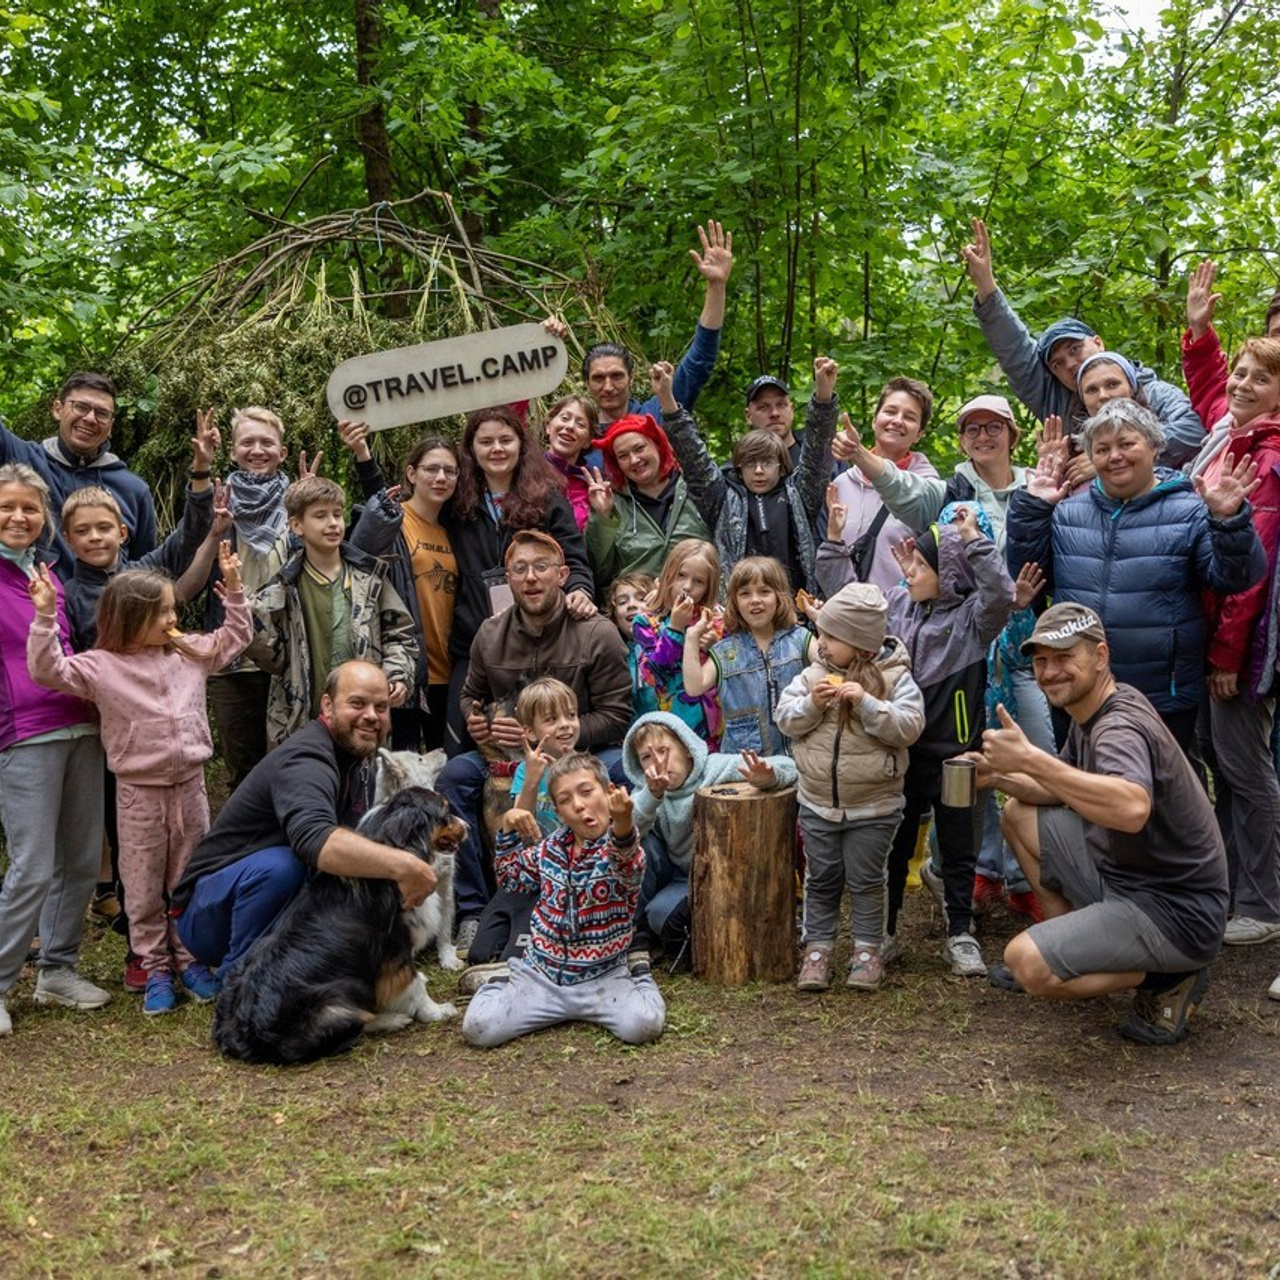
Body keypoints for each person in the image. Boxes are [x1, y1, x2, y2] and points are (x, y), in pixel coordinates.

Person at [832, 394, 1053, 918]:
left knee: (1035, 755)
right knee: (968, 763)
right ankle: (980, 870)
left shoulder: (1038, 482)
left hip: (1024, 641)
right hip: (963, 639)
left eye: (993, 426)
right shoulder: (951, 492)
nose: (983, 436)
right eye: (971, 429)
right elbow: (906, 490)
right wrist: (865, 457)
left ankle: (1032, 873)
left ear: (1012, 434)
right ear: (959, 439)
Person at [976, 603, 1228, 1046]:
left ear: (1100, 656)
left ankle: (1170, 975)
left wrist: (1032, 759)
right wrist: (997, 776)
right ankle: (1073, 946)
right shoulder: (1092, 710)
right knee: (1018, 813)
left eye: (1063, 657)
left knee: (1026, 964)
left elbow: (1131, 809)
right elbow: (1062, 789)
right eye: (1040, 661)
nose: (1050, 671)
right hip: (1130, 879)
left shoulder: (1118, 727)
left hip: (1175, 911)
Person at [26, 546, 252, 1014]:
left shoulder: (188, 653)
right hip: (138, 792)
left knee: (188, 878)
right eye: (163, 612)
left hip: (190, 787)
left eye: (173, 610)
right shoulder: (100, 666)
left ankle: (189, 959)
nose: (173, 618)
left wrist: (234, 590)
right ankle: (154, 969)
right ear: (130, 617)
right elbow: (47, 670)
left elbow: (234, 639)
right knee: (144, 883)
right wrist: (45, 616)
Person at [1006, 399, 1266, 754]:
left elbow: (1232, 578)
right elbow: (1028, 579)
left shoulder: (1190, 510)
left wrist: (1229, 522)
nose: (1115, 456)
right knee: (1082, 793)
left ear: (1154, 445)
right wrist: (1033, 509)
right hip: (1077, 688)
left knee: (1156, 798)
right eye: (1102, 449)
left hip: (1162, 694)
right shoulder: (1066, 512)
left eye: (1127, 444)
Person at [171, 660, 438, 973]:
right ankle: (239, 973)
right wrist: (405, 866)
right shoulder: (306, 758)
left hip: (261, 898)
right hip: (207, 914)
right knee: (285, 866)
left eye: (381, 707)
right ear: (327, 705)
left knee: (352, 865)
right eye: (357, 703)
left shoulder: (357, 759)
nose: (371, 716)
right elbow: (315, 841)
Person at [439, 531, 632, 947]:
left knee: (621, 770)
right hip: (508, 754)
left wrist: (564, 735)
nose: (531, 578)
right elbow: (471, 696)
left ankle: (619, 894)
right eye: (520, 569)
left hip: (584, 751)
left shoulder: (596, 632)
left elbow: (618, 716)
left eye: (541, 568)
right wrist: (479, 722)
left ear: (562, 574)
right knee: (455, 776)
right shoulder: (490, 633)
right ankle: (474, 908)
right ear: (507, 578)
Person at [1182, 264, 1280, 954]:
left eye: (1259, 378)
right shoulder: (1232, 432)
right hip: (1216, 632)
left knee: (1246, 770)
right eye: (1242, 372)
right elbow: (1214, 391)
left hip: (1241, 642)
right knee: (1223, 758)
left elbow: (1251, 572)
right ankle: (1235, 890)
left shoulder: (1265, 458)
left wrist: (1226, 658)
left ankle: (1264, 901)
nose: (1241, 385)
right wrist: (1199, 331)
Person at [0, 464, 108, 1036]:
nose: (19, 517)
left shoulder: (47, 573)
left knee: (81, 860)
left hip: (81, 727)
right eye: (7, 507)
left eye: (29, 508)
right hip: (23, 733)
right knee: (33, 866)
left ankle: (57, 971)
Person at [775, 583, 925, 993]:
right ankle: (818, 949)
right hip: (818, 802)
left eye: (830, 637)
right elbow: (785, 718)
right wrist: (812, 705)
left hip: (874, 806)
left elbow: (909, 727)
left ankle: (866, 951)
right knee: (820, 878)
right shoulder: (812, 676)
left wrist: (868, 704)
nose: (820, 643)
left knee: (866, 879)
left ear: (859, 645)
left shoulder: (895, 678)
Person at [962, 217, 1204, 470]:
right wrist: (986, 286)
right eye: (1058, 363)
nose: (1070, 363)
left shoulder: (1153, 392)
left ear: (1098, 342)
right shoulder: (1057, 402)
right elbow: (1015, 350)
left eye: (1075, 349)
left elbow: (1191, 431)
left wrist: (1106, 457)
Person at [461, 752, 666, 1047]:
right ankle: (501, 980)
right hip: (541, 976)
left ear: (609, 793)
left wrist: (622, 822)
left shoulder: (619, 848)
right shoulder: (549, 850)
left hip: (603, 977)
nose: (579, 804)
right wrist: (507, 824)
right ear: (558, 813)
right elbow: (510, 878)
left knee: (643, 1026)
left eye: (586, 791)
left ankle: (640, 974)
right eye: (566, 800)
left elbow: (626, 862)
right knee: (479, 1028)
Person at [444, 405, 594, 754]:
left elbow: (574, 557)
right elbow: (409, 516)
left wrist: (581, 590)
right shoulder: (455, 501)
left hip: (539, 642)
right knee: (463, 745)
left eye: (505, 440)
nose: (497, 449)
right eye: (486, 442)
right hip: (473, 640)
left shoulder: (547, 496)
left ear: (520, 445)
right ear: (471, 449)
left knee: (542, 741)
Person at [249, 475, 417, 748]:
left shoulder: (369, 578)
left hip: (364, 724)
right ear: (296, 525)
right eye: (320, 516)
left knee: (362, 785)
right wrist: (246, 616)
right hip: (301, 721)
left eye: (337, 514)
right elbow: (274, 660)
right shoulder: (283, 588)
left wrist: (397, 674)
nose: (332, 523)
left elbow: (399, 634)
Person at [621, 712, 796, 971]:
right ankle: (635, 939)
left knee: (664, 917)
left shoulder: (714, 768)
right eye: (647, 757)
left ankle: (686, 944)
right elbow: (626, 827)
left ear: (688, 749)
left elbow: (789, 766)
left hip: (724, 874)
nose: (658, 762)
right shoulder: (649, 791)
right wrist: (653, 794)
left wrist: (768, 778)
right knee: (641, 846)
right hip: (680, 874)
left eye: (664, 750)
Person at [662, 357, 840, 596]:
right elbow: (693, 458)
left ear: (781, 465)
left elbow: (818, 451)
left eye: (767, 463)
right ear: (738, 468)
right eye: (750, 464)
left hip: (795, 612)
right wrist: (667, 401)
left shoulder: (799, 494)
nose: (758, 471)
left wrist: (824, 394)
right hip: (738, 615)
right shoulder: (722, 498)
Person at [457, 678, 584, 992]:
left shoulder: (587, 769)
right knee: (480, 952)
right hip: (531, 876)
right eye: (552, 720)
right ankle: (517, 960)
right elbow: (518, 823)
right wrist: (532, 779)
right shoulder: (527, 770)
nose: (565, 726)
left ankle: (531, 967)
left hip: (568, 880)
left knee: (517, 949)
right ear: (528, 732)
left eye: (571, 716)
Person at [58, 405, 219, 650]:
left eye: (104, 528)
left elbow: (191, 533)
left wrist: (201, 469)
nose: (94, 537)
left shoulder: (144, 574)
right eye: (82, 531)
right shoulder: (68, 597)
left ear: (122, 533)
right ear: (68, 539)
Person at [349, 435, 460, 752]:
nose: (441, 478)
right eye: (432, 469)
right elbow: (374, 513)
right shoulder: (395, 521)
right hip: (403, 666)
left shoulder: (454, 529)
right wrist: (362, 453)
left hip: (447, 669)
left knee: (444, 762)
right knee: (399, 760)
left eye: (450, 471)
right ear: (411, 473)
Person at [583, 220, 733, 428]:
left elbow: (699, 361)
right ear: (587, 384)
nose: (608, 387)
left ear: (631, 378)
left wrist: (716, 286)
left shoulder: (657, 413)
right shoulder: (580, 438)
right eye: (598, 378)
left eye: (616, 376)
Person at [0, 371, 157, 559]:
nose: (90, 418)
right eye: (81, 407)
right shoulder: (24, 458)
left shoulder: (133, 490)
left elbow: (145, 572)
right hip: (29, 586)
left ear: (111, 425)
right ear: (58, 409)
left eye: (102, 413)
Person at [683, 556, 813, 757]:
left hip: (801, 759)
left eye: (764, 591)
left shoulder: (800, 639)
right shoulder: (725, 651)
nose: (755, 600)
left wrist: (819, 618)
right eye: (745, 593)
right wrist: (692, 637)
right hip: (745, 765)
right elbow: (694, 686)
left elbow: (831, 661)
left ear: (779, 597)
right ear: (734, 602)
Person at [826, 378, 940, 593]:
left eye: (909, 417)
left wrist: (856, 451)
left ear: (920, 433)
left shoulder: (927, 489)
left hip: (900, 619)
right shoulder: (841, 484)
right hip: (845, 617)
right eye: (890, 411)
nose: (897, 421)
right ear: (874, 419)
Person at [585, 412, 712, 598]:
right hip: (639, 613)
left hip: (700, 609)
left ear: (657, 444)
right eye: (623, 456)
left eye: (639, 448)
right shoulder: (614, 503)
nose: (634, 460)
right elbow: (599, 573)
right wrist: (603, 518)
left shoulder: (695, 489)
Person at [631, 538, 723, 744]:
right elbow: (652, 676)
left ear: (709, 586)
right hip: (669, 732)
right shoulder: (645, 622)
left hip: (713, 730)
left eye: (699, 581)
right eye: (681, 576)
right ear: (668, 574)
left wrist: (714, 648)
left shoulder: (715, 620)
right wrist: (674, 628)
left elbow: (732, 666)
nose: (687, 586)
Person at [542, 394, 600, 531]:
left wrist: (603, 515)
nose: (570, 426)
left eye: (580, 424)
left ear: (588, 441)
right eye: (564, 418)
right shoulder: (525, 468)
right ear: (549, 426)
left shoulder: (590, 489)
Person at [606, 570, 656, 717]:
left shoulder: (669, 644)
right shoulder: (614, 654)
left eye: (641, 599)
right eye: (622, 602)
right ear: (614, 616)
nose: (631, 605)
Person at [743, 374, 804, 467]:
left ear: (792, 410)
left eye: (781, 405)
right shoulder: (737, 471)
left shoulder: (821, 457)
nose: (774, 413)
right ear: (748, 416)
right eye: (763, 407)